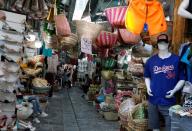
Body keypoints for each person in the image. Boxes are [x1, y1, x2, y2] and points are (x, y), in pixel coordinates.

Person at [144, 34, 185, 131]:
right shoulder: (151, 61)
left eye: (164, 42)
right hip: (153, 99)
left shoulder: (176, 60)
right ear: (157, 44)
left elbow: (182, 78)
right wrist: (148, 87)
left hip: (168, 99)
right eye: (160, 42)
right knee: (154, 127)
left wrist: (174, 90)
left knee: (170, 127)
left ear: (168, 44)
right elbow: (147, 76)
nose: (162, 44)